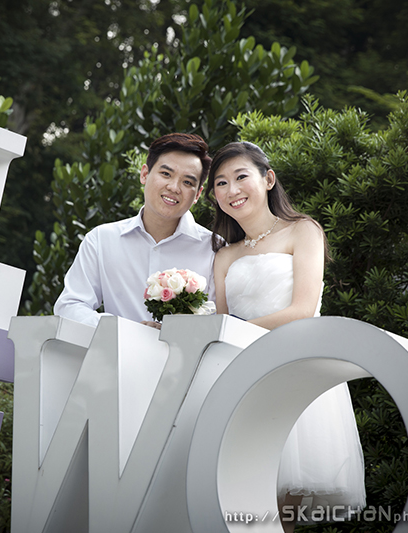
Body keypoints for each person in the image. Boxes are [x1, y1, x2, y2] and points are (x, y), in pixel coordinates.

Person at [207, 141, 366, 532]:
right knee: (242, 495)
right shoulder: (224, 256)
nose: (232, 190)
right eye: (221, 184)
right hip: (242, 373)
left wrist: (232, 330)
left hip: (296, 366)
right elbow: (221, 322)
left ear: (268, 179)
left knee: (284, 502)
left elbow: (302, 308)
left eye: (241, 177)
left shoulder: (303, 231)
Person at [54, 133, 215, 328]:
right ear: (145, 174)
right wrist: (126, 331)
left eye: (187, 182)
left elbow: (219, 322)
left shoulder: (215, 250)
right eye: (166, 174)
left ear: (197, 194)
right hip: (113, 355)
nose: (174, 187)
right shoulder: (101, 240)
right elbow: (70, 306)